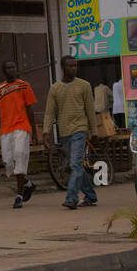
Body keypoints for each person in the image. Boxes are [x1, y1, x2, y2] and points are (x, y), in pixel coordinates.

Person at [44, 55, 98, 210]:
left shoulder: (84, 86)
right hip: (64, 132)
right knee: (76, 166)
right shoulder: (55, 88)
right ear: (63, 67)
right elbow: (49, 113)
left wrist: (94, 132)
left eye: (75, 66)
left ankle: (71, 198)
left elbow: (90, 111)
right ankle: (91, 196)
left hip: (80, 130)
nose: (74, 68)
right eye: (70, 66)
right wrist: (46, 133)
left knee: (75, 164)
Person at [0, 60, 38, 208]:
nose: (11, 70)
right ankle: (28, 184)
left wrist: (34, 132)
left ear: (16, 69)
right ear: (4, 71)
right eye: (7, 68)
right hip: (6, 130)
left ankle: (19, 196)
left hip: (22, 127)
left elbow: (30, 109)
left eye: (13, 67)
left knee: (19, 155)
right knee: (9, 163)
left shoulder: (24, 85)